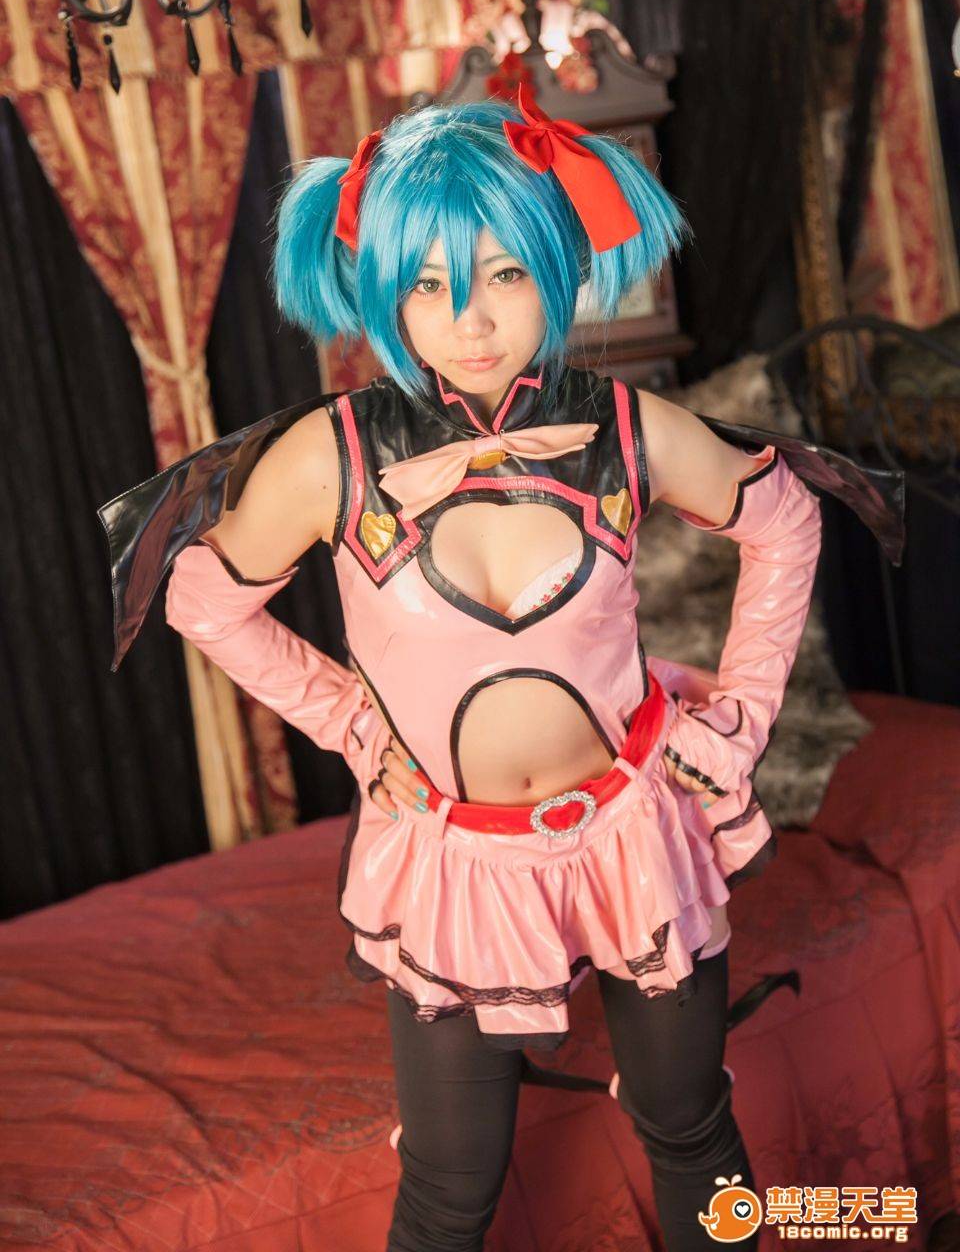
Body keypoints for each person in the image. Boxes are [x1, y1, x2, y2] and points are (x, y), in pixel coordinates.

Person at [98, 89, 905, 1252]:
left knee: (691, 1130)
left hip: (633, 830)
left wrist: (741, 719)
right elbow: (202, 599)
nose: (468, 320)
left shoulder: (626, 427)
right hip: (457, 857)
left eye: (503, 274)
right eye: (427, 284)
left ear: (555, 268)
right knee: (449, 1185)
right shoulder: (331, 455)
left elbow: (786, 520)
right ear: (383, 294)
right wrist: (352, 723)